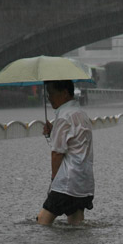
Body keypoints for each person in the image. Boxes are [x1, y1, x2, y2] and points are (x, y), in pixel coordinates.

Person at [37, 80, 94, 226]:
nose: (49, 98)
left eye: (52, 93)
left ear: (64, 93)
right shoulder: (81, 113)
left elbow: (57, 153)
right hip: (83, 182)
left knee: (42, 223)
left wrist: (54, 181)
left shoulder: (63, 116)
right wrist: (53, 132)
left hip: (66, 182)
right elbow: (75, 143)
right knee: (76, 226)